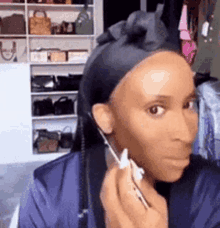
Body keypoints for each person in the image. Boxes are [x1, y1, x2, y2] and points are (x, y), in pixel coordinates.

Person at [18, 11, 220, 228]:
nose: (187, 132)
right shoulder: (49, 193)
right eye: (155, 109)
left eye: (188, 104)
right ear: (105, 118)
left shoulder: (209, 188)